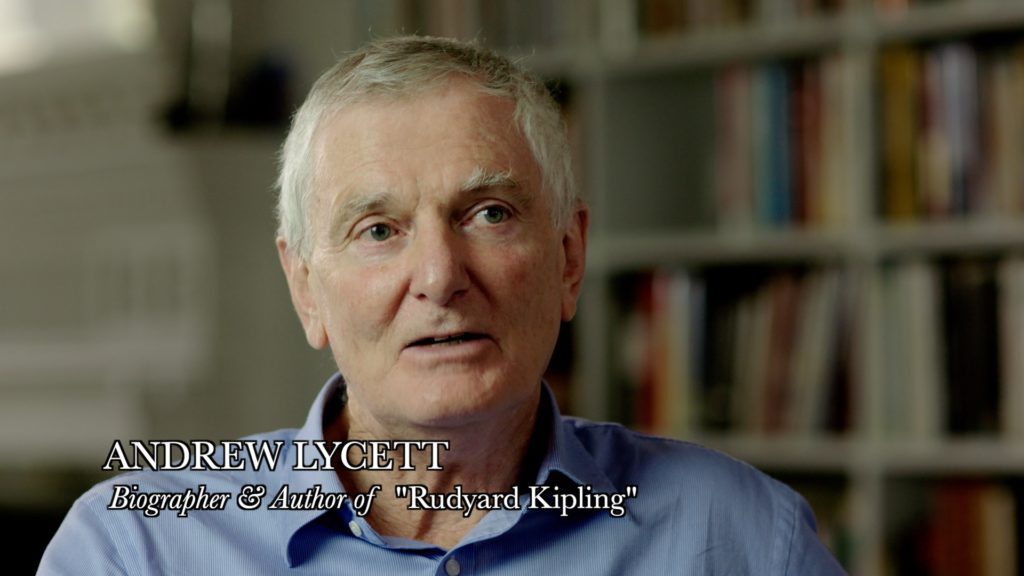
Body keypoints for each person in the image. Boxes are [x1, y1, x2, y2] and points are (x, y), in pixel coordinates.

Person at [39, 36, 846, 575]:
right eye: (378, 229)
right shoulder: (132, 550)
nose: (438, 275)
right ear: (305, 290)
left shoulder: (741, 539)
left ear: (569, 259)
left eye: (487, 214)